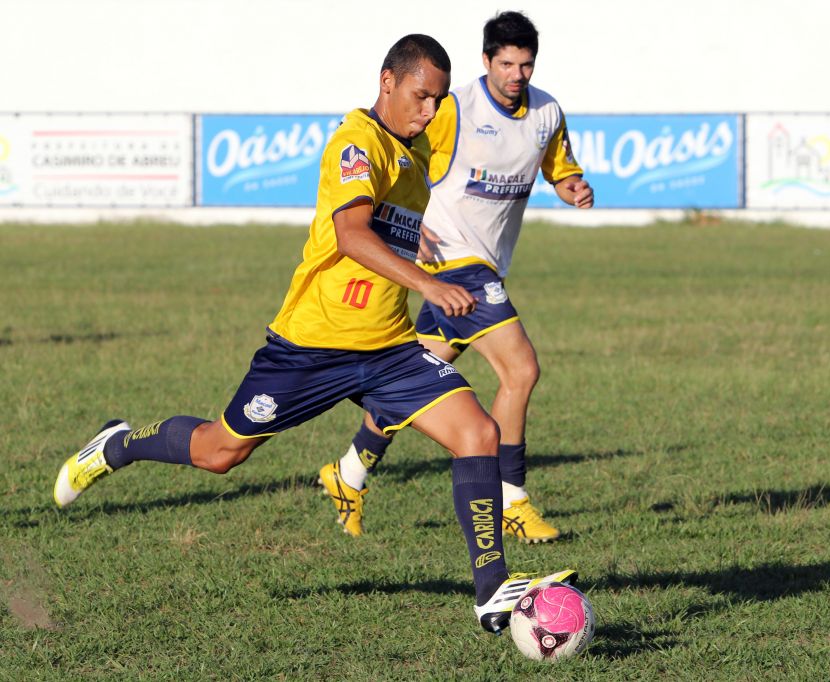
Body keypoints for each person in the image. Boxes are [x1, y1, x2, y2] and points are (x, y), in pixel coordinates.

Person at [52, 34, 574, 635]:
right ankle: (118, 443)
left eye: (437, 100)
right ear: (388, 82)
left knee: (478, 431)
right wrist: (429, 285)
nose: (430, 111)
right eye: (420, 96)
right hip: (311, 346)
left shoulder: (419, 146)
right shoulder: (357, 141)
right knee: (220, 453)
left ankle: (490, 594)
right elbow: (351, 234)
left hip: (387, 348)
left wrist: (421, 241)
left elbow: (393, 223)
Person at [319, 11, 593, 544]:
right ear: (487, 60)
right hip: (452, 261)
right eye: (507, 63)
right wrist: (404, 223)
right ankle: (513, 500)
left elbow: (559, 167)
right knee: (521, 371)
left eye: (526, 64)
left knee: (408, 383)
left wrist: (573, 187)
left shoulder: (547, 113)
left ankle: (348, 472)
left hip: (482, 264)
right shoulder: (453, 109)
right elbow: (400, 154)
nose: (517, 73)